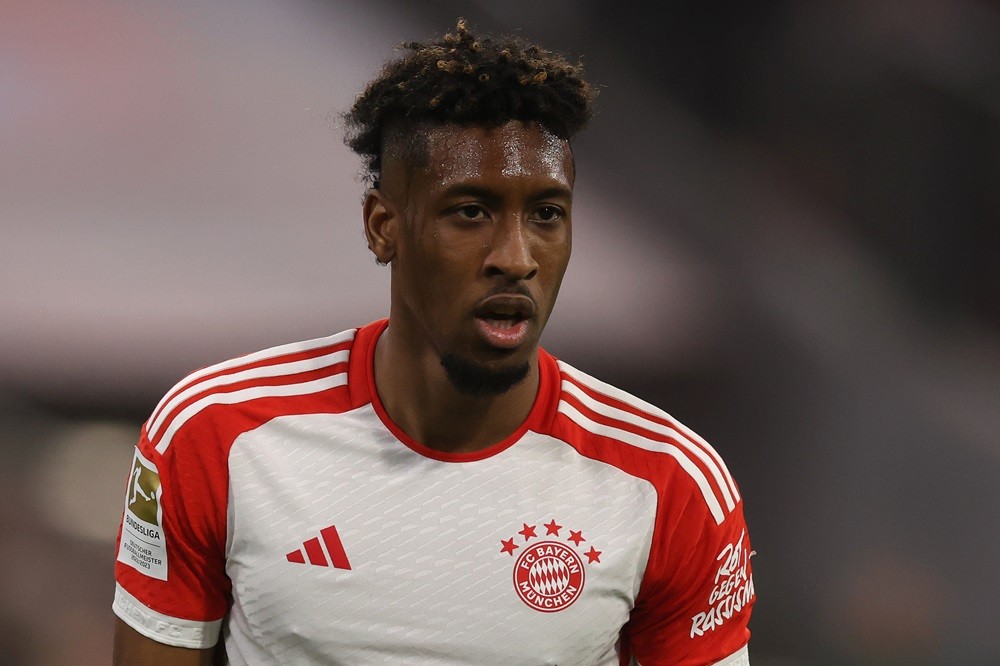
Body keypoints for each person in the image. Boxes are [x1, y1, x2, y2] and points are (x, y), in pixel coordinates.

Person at [112, 18, 755, 665]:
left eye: (546, 215)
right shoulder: (215, 435)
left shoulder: (667, 483)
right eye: (470, 212)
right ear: (383, 226)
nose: (515, 257)